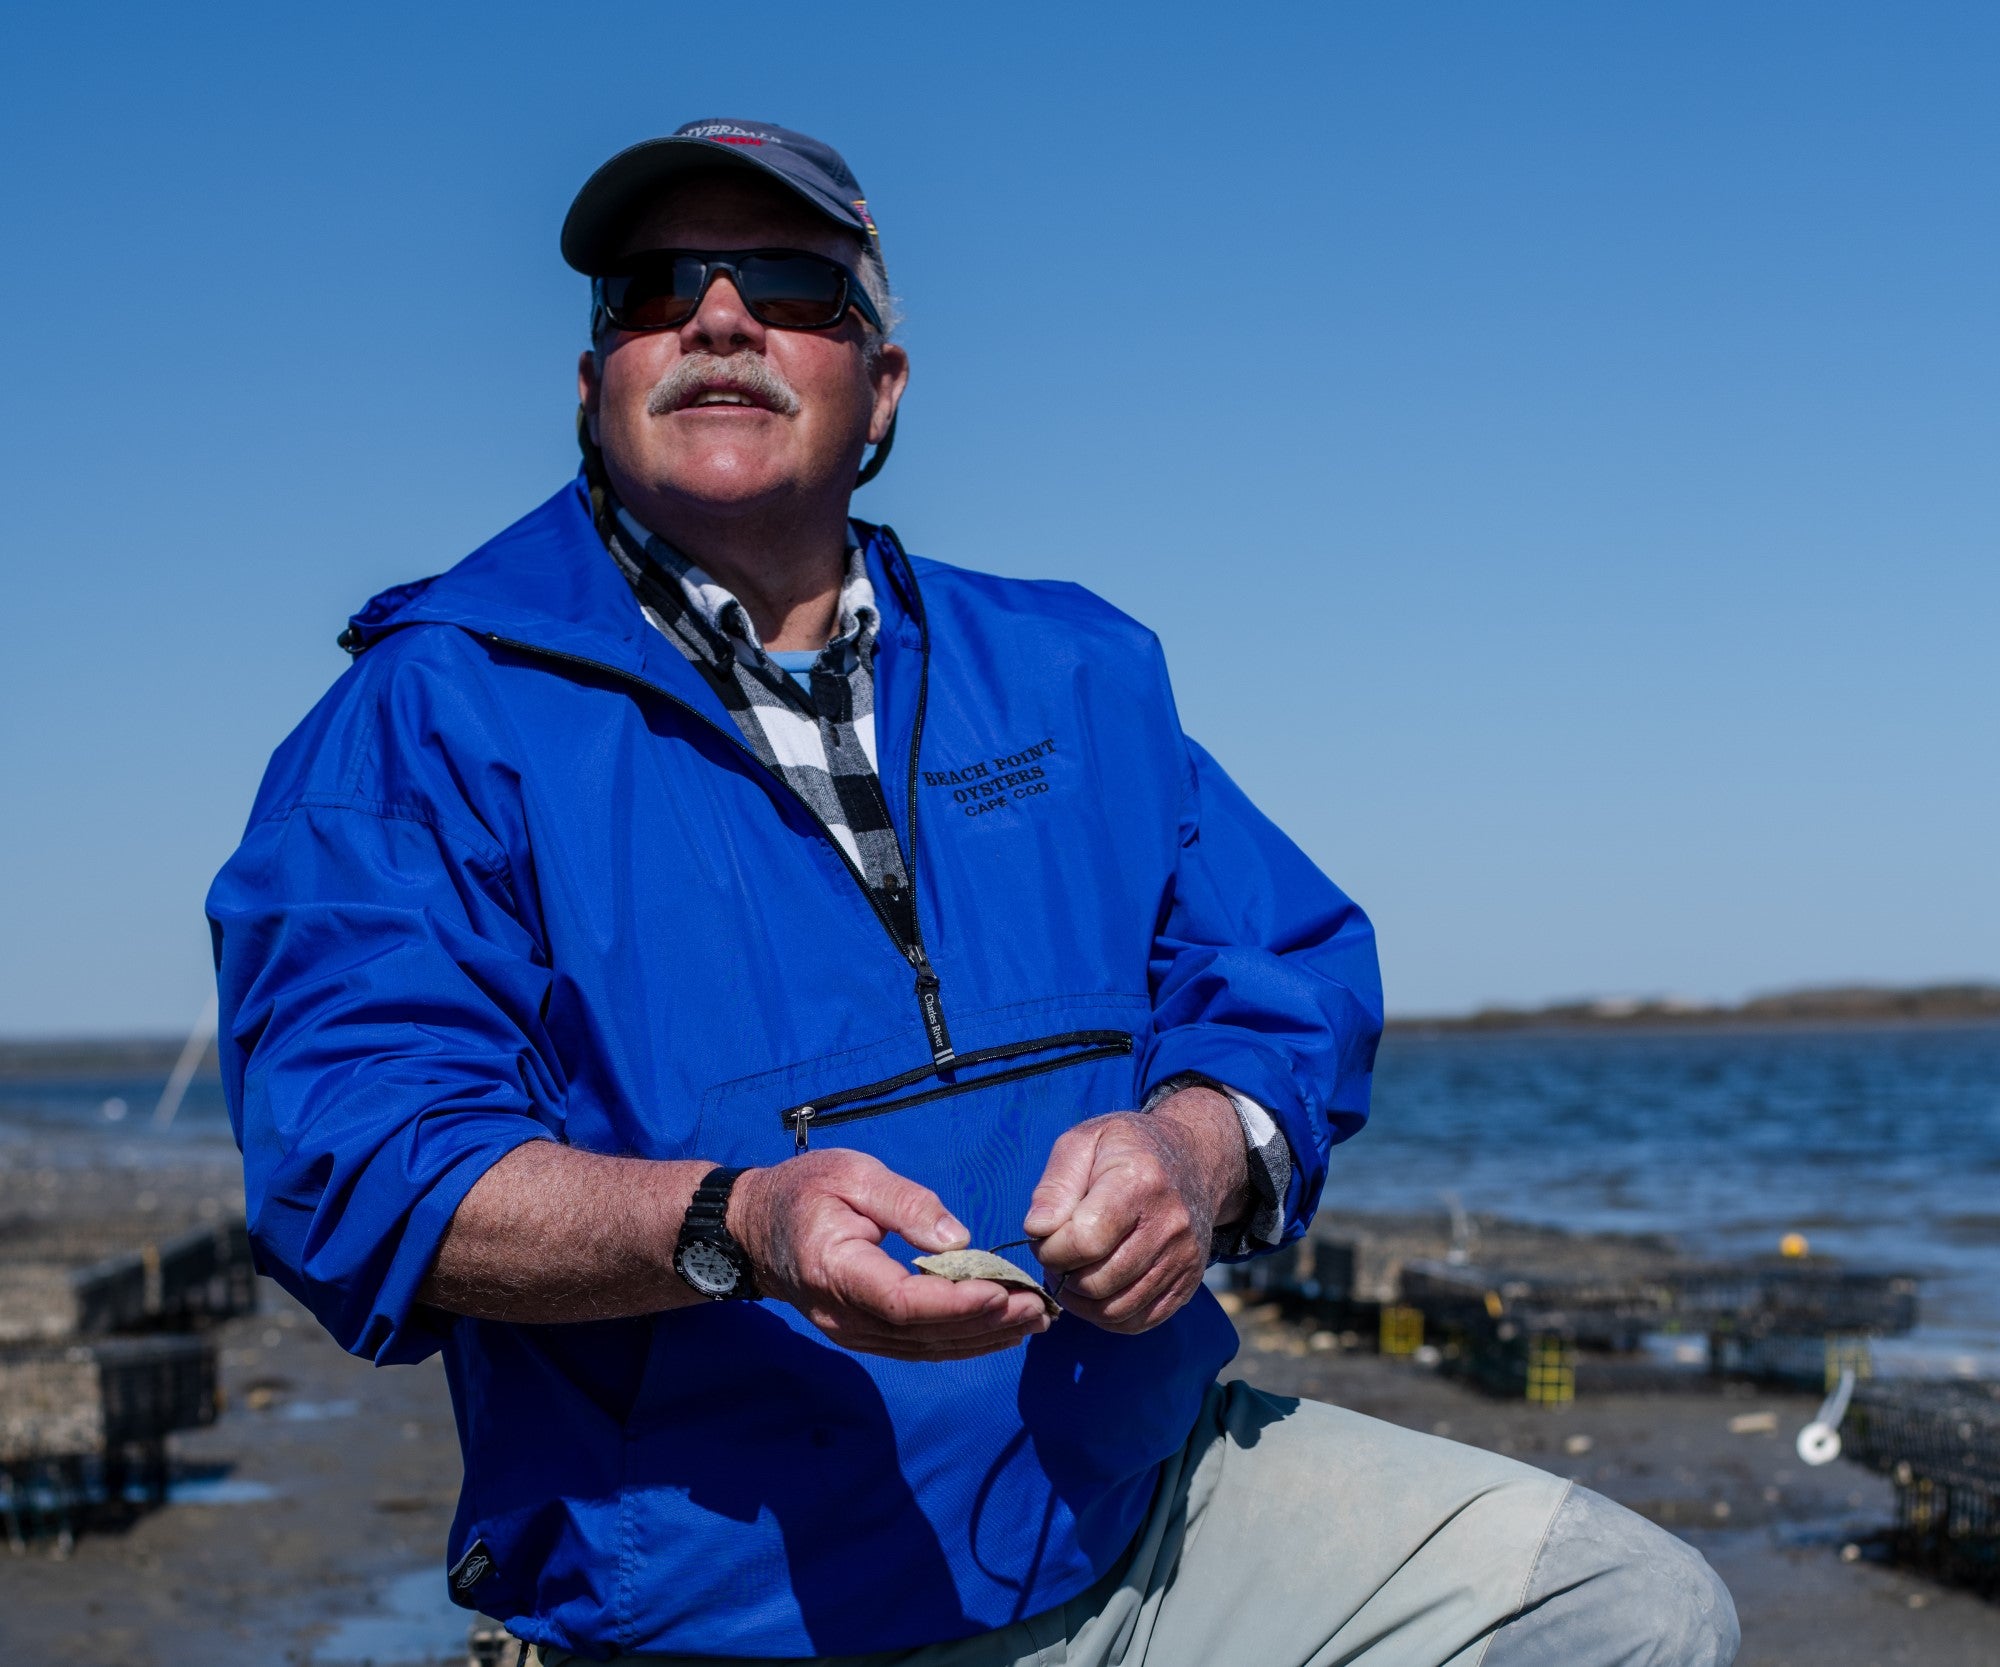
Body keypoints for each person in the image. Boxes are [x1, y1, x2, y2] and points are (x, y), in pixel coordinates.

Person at [208, 119, 1738, 1666]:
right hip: (734, 1613)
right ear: (595, 378)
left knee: (1632, 1609)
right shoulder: (427, 717)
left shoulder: (1076, 668)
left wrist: (1192, 1150)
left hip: (1141, 1509)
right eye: (658, 289)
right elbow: (361, 1160)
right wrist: (741, 1224)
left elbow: (1284, 970)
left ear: (882, 387)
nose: (720, 319)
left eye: (790, 286)